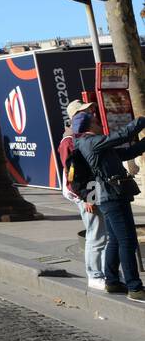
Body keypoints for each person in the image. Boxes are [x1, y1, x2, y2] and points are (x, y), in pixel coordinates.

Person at [71, 101, 145, 301]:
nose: (99, 124)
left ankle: (112, 281)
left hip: (109, 195)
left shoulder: (92, 142)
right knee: (127, 241)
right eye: (95, 121)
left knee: (114, 239)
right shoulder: (90, 141)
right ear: (88, 126)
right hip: (112, 195)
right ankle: (135, 287)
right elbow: (122, 136)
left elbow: (126, 153)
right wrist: (141, 121)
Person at [58, 102, 106, 290]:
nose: (90, 112)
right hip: (86, 192)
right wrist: (87, 197)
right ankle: (95, 275)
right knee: (96, 234)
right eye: (86, 110)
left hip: (90, 190)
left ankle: (102, 272)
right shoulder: (70, 141)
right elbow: (74, 173)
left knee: (100, 233)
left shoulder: (78, 137)